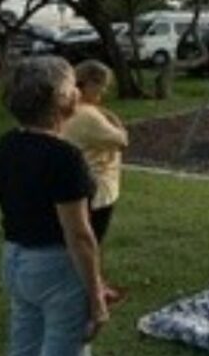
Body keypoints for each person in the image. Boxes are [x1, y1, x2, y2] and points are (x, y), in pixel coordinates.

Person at [0, 56, 109, 355]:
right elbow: (79, 235)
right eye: (72, 86)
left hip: (15, 261)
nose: (78, 92)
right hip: (54, 267)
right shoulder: (63, 157)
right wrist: (96, 299)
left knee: (24, 347)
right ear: (60, 98)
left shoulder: (6, 145)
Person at [61, 60, 128, 302]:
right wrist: (113, 118)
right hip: (97, 190)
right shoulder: (89, 115)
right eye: (101, 86)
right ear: (88, 84)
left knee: (79, 240)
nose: (104, 92)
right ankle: (92, 292)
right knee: (90, 243)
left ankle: (94, 284)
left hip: (76, 185)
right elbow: (121, 140)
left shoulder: (64, 109)